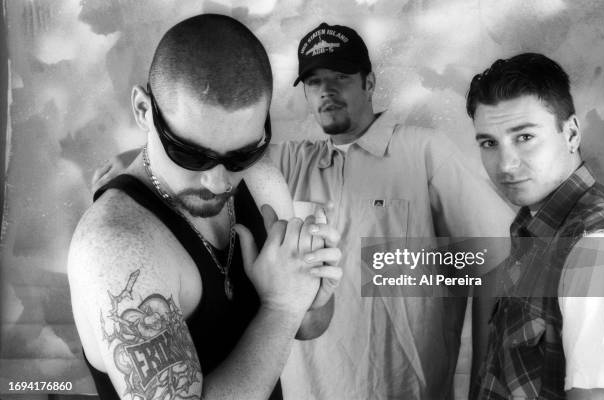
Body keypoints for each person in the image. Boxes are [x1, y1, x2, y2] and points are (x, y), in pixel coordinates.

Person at [94, 22, 515, 399]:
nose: (326, 92)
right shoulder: (289, 163)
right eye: (314, 82)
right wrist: (143, 152)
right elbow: (222, 153)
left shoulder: (424, 152)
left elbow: (494, 260)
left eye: (341, 77)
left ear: (369, 82)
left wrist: (483, 381)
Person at [67, 14, 343, 400]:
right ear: (144, 110)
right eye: (191, 155)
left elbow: (308, 325)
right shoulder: (116, 247)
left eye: (243, 153)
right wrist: (281, 307)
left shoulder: (260, 180)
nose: (219, 182)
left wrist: (313, 296)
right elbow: (285, 315)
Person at [467, 53, 604, 399]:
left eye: (525, 137)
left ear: (572, 133)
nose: (506, 163)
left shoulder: (594, 243)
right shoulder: (530, 227)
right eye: (489, 143)